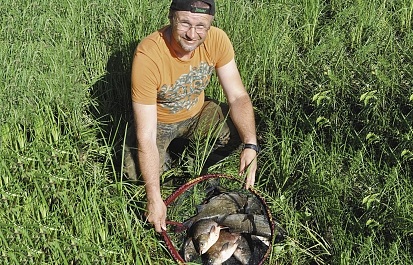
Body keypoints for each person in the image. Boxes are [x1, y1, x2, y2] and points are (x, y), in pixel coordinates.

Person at [127, 0, 259, 233]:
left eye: (201, 26)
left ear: (210, 25)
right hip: (159, 123)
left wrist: (251, 145)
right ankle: (167, 171)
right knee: (136, 174)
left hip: (197, 113)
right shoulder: (148, 55)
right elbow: (146, 135)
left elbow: (238, 97)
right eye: (185, 23)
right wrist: (153, 198)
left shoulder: (217, 40)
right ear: (171, 19)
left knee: (238, 131)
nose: (192, 34)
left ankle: (189, 166)